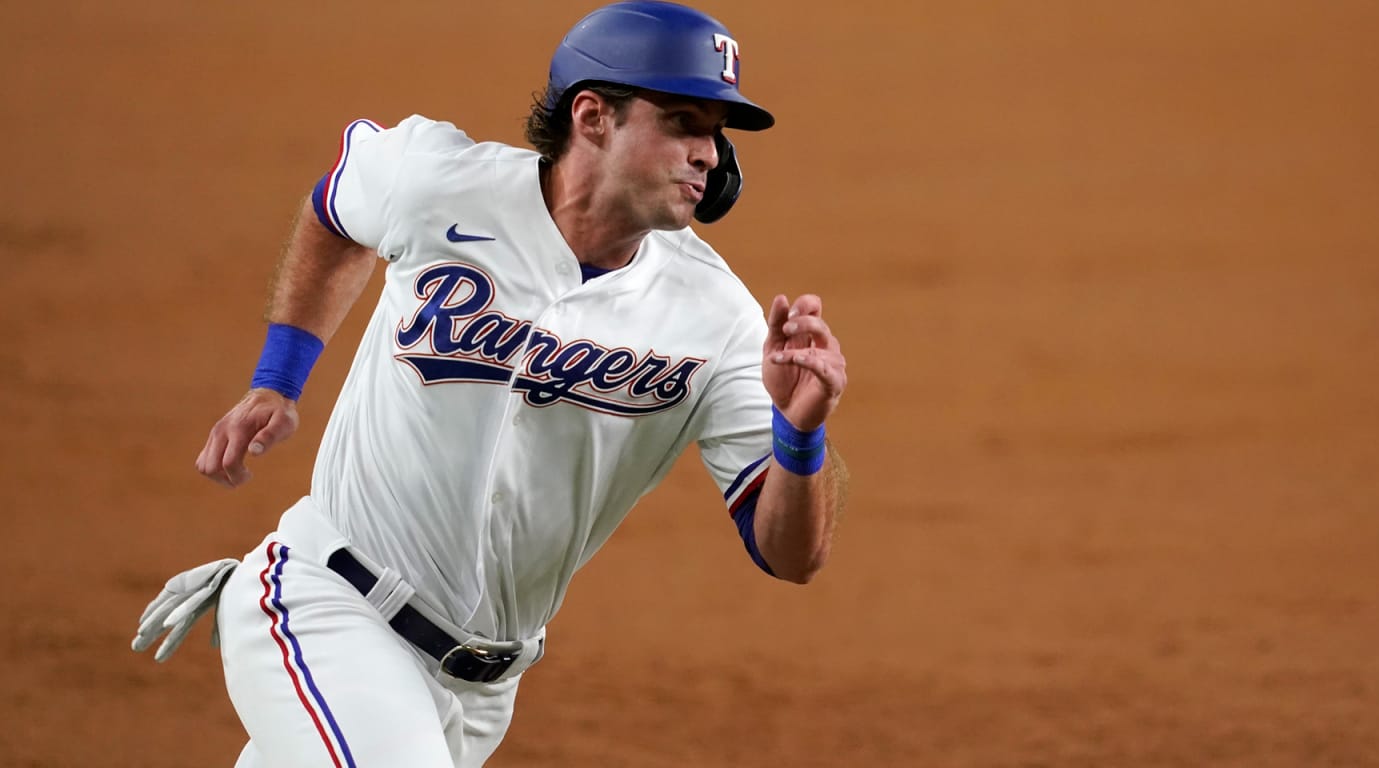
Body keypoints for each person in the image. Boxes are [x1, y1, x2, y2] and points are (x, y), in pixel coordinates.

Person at [128, 2, 850, 765]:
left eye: (716, 133)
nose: (709, 154)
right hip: (331, 606)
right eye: (681, 121)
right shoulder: (439, 184)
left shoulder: (720, 320)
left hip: (481, 693)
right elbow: (335, 210)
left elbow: (791, 555)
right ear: (594, 115)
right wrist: (278, 379)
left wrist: (799, 432)